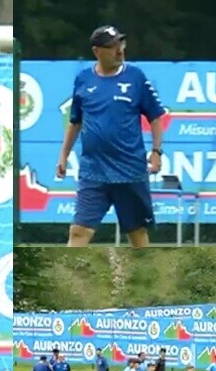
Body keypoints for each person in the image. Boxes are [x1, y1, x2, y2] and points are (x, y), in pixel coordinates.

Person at [55, 25, 167, 247]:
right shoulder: (83, 79)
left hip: (129, 172)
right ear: (97, 51)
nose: (119, 51)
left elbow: (155, 117)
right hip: (93, 172)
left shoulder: (135, 77)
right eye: (112, 46)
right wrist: (64, 154)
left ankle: (144, 278)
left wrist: (156, 152)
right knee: (78, 232)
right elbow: (75, 120)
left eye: (121, 44)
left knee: (137, 236)